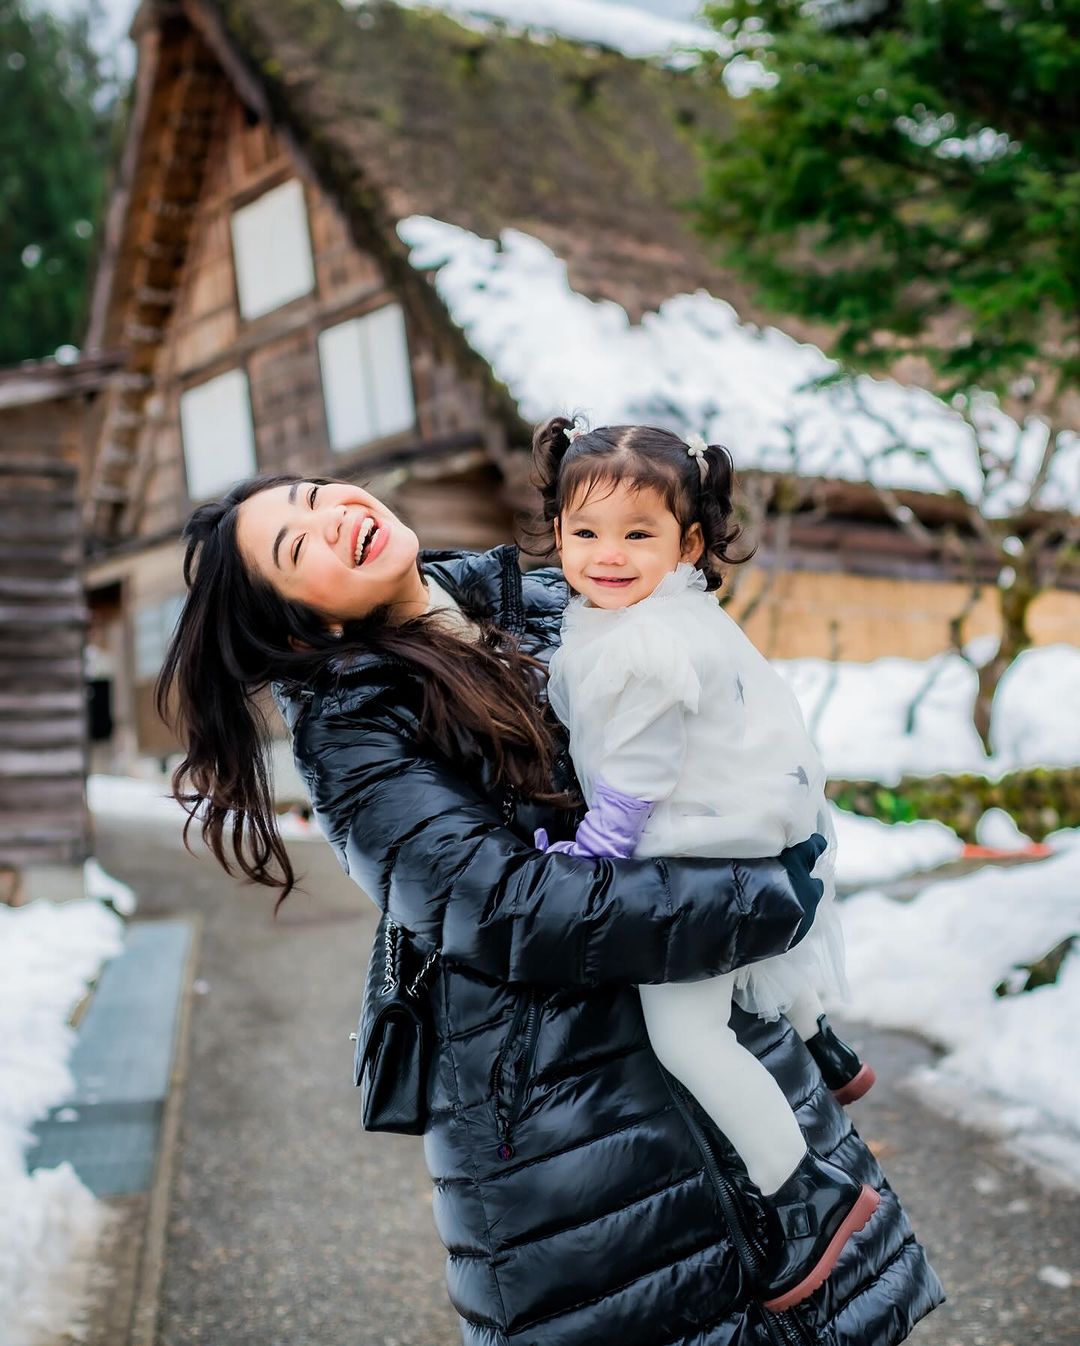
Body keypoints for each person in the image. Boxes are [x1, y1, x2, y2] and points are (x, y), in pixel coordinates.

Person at [157, 471, 943, 1346]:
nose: (333, 519)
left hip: (722, 1028)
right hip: (576, 1130)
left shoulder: (544, 596)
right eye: (298, 546)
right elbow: (505, 906)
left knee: (831, 1299)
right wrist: (758, 897)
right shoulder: (354, 727)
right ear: (309, 620)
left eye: (315, 495)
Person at [530, 417, 880, 1311]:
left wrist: (595, 856)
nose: (608, 556)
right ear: (557, 533)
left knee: (686, 1034)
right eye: (586, 532)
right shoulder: (673, 614)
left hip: (697, 842)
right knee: (762, 932)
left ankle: (805, 1193)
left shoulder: (644, 644)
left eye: (637, 534)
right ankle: (820, 1037)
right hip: (757, 827)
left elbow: (638, 771)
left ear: (688, 543)